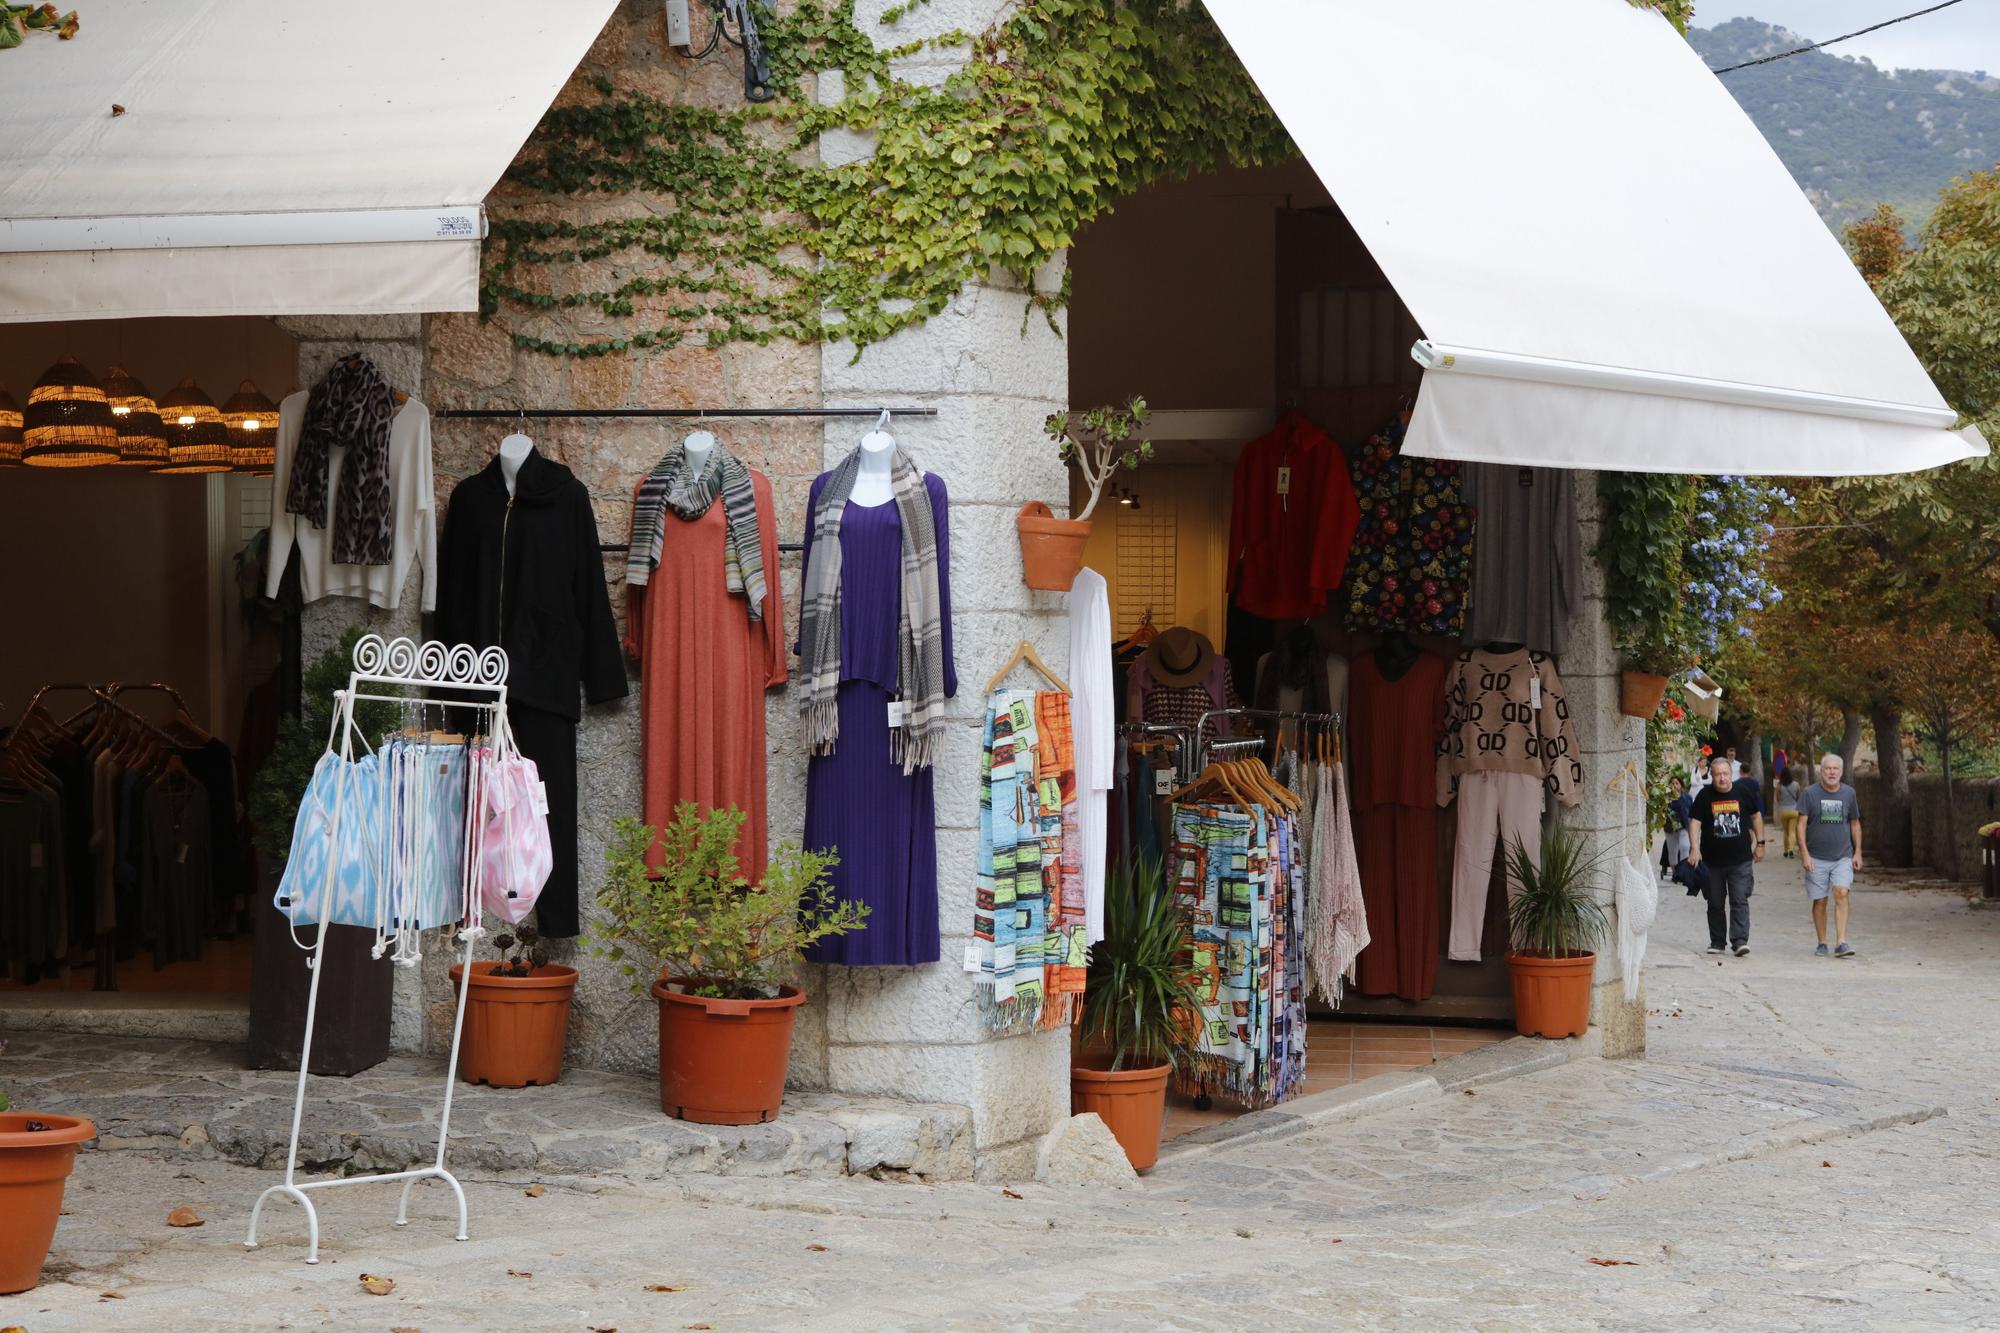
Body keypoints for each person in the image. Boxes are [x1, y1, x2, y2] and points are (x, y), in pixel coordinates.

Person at [1687, 758, 1764, 956]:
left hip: (1740, 860)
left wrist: (1761, 843)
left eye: (1725, 774)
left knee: (1739, 900)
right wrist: (1694, 847)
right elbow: (1694, 822)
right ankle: (1717, 941)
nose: (1722, 778)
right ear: (1711, 776)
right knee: (1714, 902)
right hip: (1712, 861)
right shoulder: (1704, 796)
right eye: (1718, 774)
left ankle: (1739, 941)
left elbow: (1756, 816)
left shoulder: (1743, 792)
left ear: (1732, 774)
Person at [1799, 753, 1863, 958]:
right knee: (1820, 901)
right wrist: (1805, 855)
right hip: (1816, 856)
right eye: (1828, 768)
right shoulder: (1809, 793)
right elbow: (1801, 826)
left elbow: (1854, 823)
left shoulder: (1849, 794)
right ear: (1821, 771)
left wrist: (1858, 851)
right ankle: (1822, 942)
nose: (1832, 772)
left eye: (1836, 769)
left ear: (1842, 772)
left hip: (1842, 856)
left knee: (1842, 892)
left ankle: (1841, 941)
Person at [1660, 774, 1693, 881]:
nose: (1674, 785)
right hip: (1670, 828)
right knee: (1672, 851)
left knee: (1685, 847)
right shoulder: (1665, 798)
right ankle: (1675, 873)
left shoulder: (1687, 797)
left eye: (1677, 783)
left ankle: (1683, 872)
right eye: (1672, 783)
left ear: (1681, 785)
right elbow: (1661, 812)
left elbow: (1691, 812)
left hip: (1683, 827)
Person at [1775, 766, 1802, 859]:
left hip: (1783, 811)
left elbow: (1778, 799)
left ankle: (1785, 850)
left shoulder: (1779, 786)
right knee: (1792, 831)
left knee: (1785, 831)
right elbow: (1799, 798)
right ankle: (1791, 849)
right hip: (1794, 810)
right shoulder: (1796, 784)